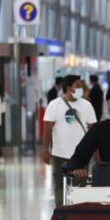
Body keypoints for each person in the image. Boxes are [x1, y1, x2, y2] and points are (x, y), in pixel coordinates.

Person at [42, 75, 97, 207]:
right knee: (60, 187)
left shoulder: (87, 105)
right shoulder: (54, 105)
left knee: (80, 188)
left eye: (81, 86)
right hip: (59, 154)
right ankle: (62, 215)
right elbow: (47, 129)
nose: (81, 89)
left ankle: (78, 216)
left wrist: (97, 155)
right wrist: (45, 150)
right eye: (77, 86)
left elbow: (93, 133)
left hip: (81, 155)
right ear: (68, 88)